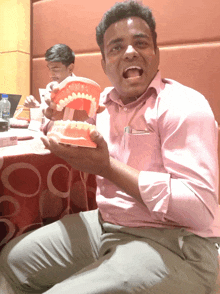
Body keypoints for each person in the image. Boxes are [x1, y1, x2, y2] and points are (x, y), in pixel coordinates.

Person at [0, 1, 219, 293]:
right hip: (107, 223)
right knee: (11, 261)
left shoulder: (183, 106)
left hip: (178, 240)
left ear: (155, 53)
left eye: (140, 43)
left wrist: (108, 169)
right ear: (104, 64)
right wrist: (53, 118)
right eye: (116, 47)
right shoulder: (101, 102)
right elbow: (66, 134)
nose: (130, 51)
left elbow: (200, 210)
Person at [24, 43, 76, 109]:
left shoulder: (81, 90)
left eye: (55, 69)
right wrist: (37, 107)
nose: (51, 74)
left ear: (70, 68)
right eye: (49, 69)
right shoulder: (50, 86)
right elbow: (49, 115)